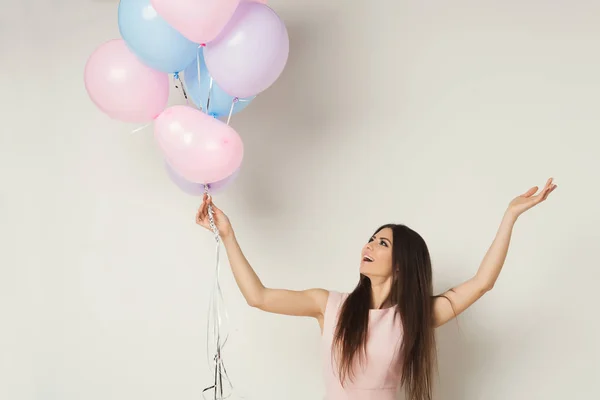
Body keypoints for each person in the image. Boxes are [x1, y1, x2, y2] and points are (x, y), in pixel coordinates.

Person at [195, 178, 557, 400]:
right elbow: (258, 297)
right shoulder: (328, 305)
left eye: (382, 243)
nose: (368, 246)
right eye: (370, 239)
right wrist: (227, 234)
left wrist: (510, 216)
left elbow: (482, 283)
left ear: (400, 265)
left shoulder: (414, 318)